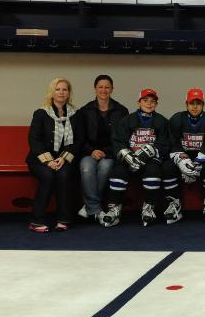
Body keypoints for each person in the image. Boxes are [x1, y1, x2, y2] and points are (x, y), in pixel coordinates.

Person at [100, 88, 171, 227]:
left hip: (151, 161)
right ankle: (115, 208)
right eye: (145, 100)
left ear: (156, 104)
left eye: (152, 101)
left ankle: (149, 207)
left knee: (153, 172)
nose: (149, 104)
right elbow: (118, 141)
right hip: (130, 158)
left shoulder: (162, 121)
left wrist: (150, 151)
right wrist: (127, 156)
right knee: (118, 172)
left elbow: (165, 143)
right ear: (138, 102)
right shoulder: (126, 120)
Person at [26, 77, 81, 233]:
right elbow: (34, 140)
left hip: (65, 158)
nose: (61, 92)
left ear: (69, 93)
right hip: (40, 159)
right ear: (52, 92)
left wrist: (63, 158)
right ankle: (36, 221)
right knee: (49, 175)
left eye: (65, 89)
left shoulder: (75, 114)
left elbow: (79, 140)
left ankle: (64, 219)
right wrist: (49, 161)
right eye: (58, 89)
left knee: (64, 175)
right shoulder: (41, 113)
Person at [163, 87, 205, 225]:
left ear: (203, 105)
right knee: (167, 167)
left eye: (198, 103)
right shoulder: (176, 119)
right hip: (183, 154)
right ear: (186, 104)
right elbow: (173, 143)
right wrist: (183, 161)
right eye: (192, 103)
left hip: (203, 156)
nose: (195, 107)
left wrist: (197, 162)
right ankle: (174, 203)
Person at [76, 74, 128, 220]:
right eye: (100, 87)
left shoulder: (121, 111)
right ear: (95, 89)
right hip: (89, 152)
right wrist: (91, 151)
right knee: (87, 167)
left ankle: (89, 207)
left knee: (105, 168)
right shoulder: (84, 111)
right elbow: (79, 138)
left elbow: (123, 139)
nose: (104, 90)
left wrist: (106, 152)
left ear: (112, 89)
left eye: (107, 87)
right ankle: (96, 209)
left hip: (110, 153)